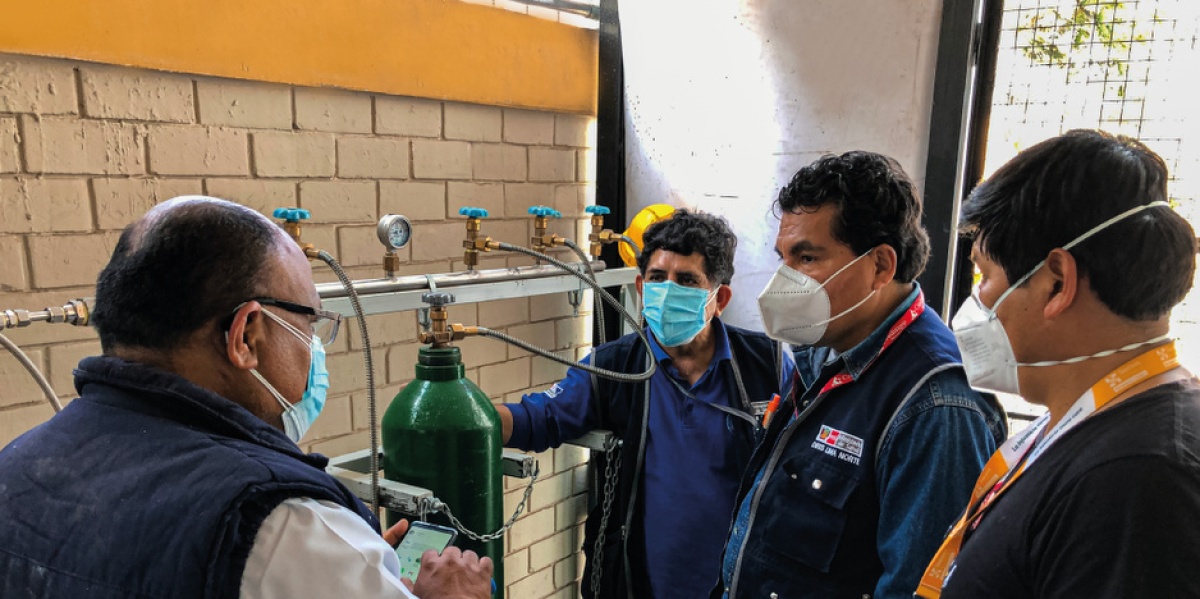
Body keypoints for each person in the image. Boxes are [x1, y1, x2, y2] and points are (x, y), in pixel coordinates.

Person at [0, 197, 492, 599]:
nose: (313, 347)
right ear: (246, 335)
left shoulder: (17, 465)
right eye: (308, 323)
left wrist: (345, 568)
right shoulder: (278, 524)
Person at [916, 130, 1200, 598]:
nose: (976, 301)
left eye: (985, 274)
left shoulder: (1139, 478)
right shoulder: (1085, 427)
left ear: (1056, 284)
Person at [715, 151, 1007, 599]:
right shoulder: (824, 350)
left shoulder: (937, 406)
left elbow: (916, 587)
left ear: (881, 267)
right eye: (784, 258)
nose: (784, 281)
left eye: (807, 258)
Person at [497, 209, 795, 599]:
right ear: (641, 287)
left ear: (719, 298)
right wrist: (464, 416)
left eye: (686, 280)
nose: (668, 291)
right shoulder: (614, 367)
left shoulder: (768, 365)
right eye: (657, 278)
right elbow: (540, 418)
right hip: (637, 582)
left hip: (740, 584)